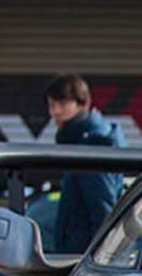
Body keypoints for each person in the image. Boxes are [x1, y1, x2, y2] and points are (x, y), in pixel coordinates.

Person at [43, 74, 125, 255]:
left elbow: (103, 211)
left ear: (83, 104)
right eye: (52, 105)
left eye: (62, 104)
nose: (55, 112)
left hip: (82, 257)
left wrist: (97, 260)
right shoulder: (82, 141)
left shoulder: (92, 146)